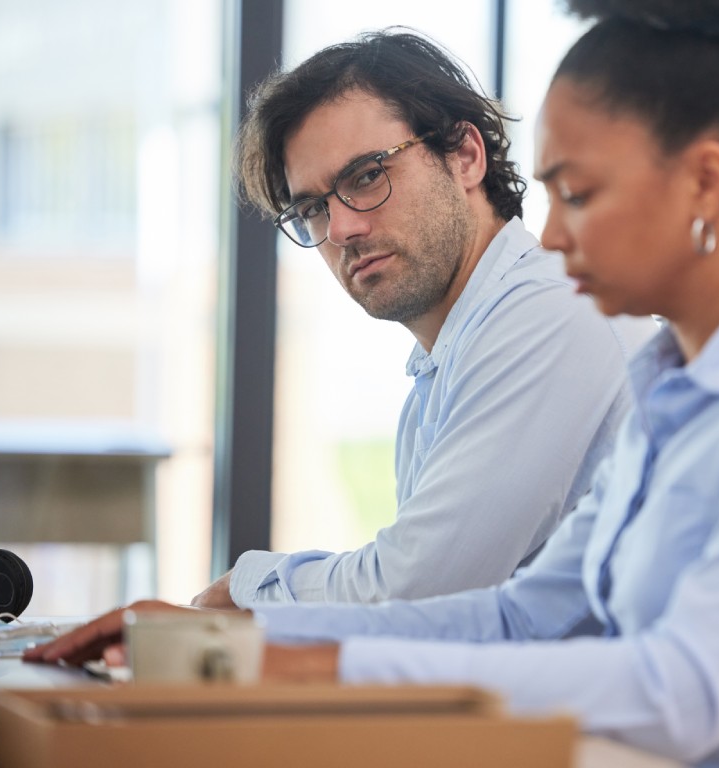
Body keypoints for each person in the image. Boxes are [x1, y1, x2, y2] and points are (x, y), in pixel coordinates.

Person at [28, 2, 719, 765]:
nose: (551, 236)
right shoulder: (674, 383)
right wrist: (253, 649)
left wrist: (299, 667)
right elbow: (527, 611)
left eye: (581, 195)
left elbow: (682, 694)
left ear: (706, 180)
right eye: (314, 210)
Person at [192, 30, 655, 608]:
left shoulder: (550, 310)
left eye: (366, 176)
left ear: (465, 156)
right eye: (312, 208)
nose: (340, 230)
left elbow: (412, 592)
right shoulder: (442, 371)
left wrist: (243, 587)